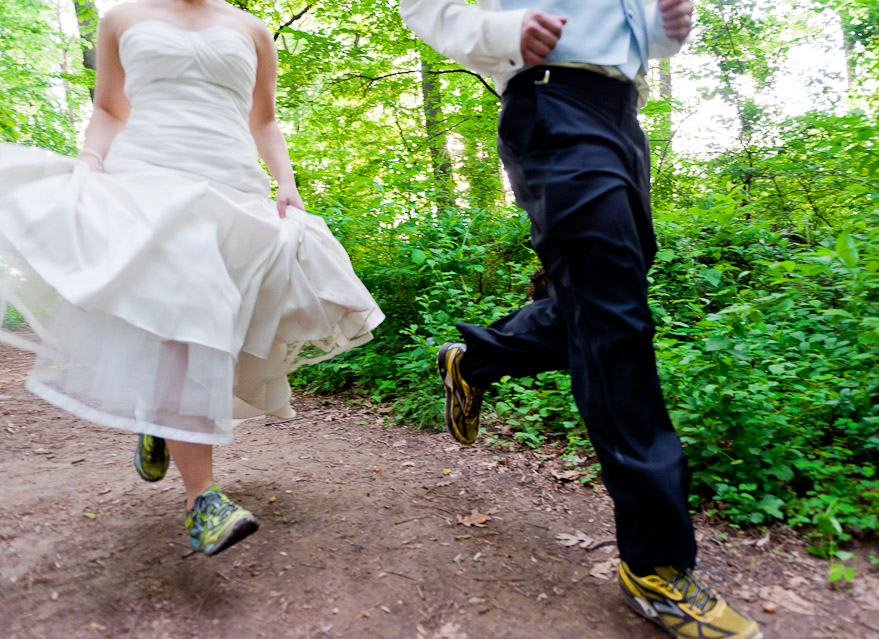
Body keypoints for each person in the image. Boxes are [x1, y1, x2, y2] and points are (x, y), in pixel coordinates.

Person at [399, 1, 762, 637]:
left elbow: (632, 31)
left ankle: (475, 361)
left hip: (623, 115)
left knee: (598, 308)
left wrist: (663, 29)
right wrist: (501, 33)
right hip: (551, 102)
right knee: (615, 323)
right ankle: (654, 564)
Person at [0, 0, 384, 556]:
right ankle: (202, 498)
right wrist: (89, 159)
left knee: (221, 322)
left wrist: (287, 183)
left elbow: (265, 120)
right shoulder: (121, 19)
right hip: (147, 180)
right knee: (191, 312)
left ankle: (160, 416)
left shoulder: (251, 29)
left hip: (231, 184)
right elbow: (109, 110)